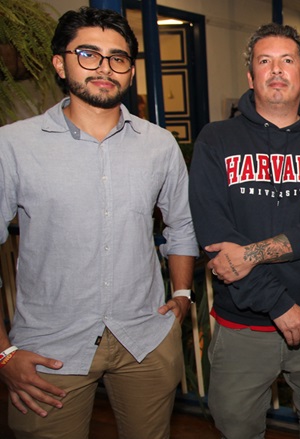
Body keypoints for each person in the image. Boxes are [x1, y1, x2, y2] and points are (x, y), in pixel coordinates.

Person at [0, 7, 198, 439]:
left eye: (118, 58)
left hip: (145, 338)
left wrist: (182, 295)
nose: (105, 68)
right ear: (60, 63)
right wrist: (3, 353)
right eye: (89, 54)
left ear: (131, 71)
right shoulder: (13, 145)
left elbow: (181, 226)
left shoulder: (159, 145)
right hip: (49, 347)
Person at [188, 23, 300, 438]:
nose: (276, 70)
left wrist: (251, 253)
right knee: (237, 429)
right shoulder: (215, 140)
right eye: (265, 61)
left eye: (287, 60)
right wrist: (277, 303)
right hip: (242, 326)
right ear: (250, 76)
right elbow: (214, 234)